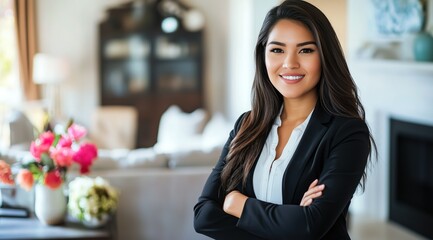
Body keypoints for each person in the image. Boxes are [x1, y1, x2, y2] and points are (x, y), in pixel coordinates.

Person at [193, 0, 376, 239]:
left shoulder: (347, 132)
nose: (290, 63)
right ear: (263, 55)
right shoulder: (246, 125)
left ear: (325, 56)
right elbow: (203, 216)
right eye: (277, 50)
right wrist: (290, 219)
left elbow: (310, 226)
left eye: (306, 50)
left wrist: (239, 204)